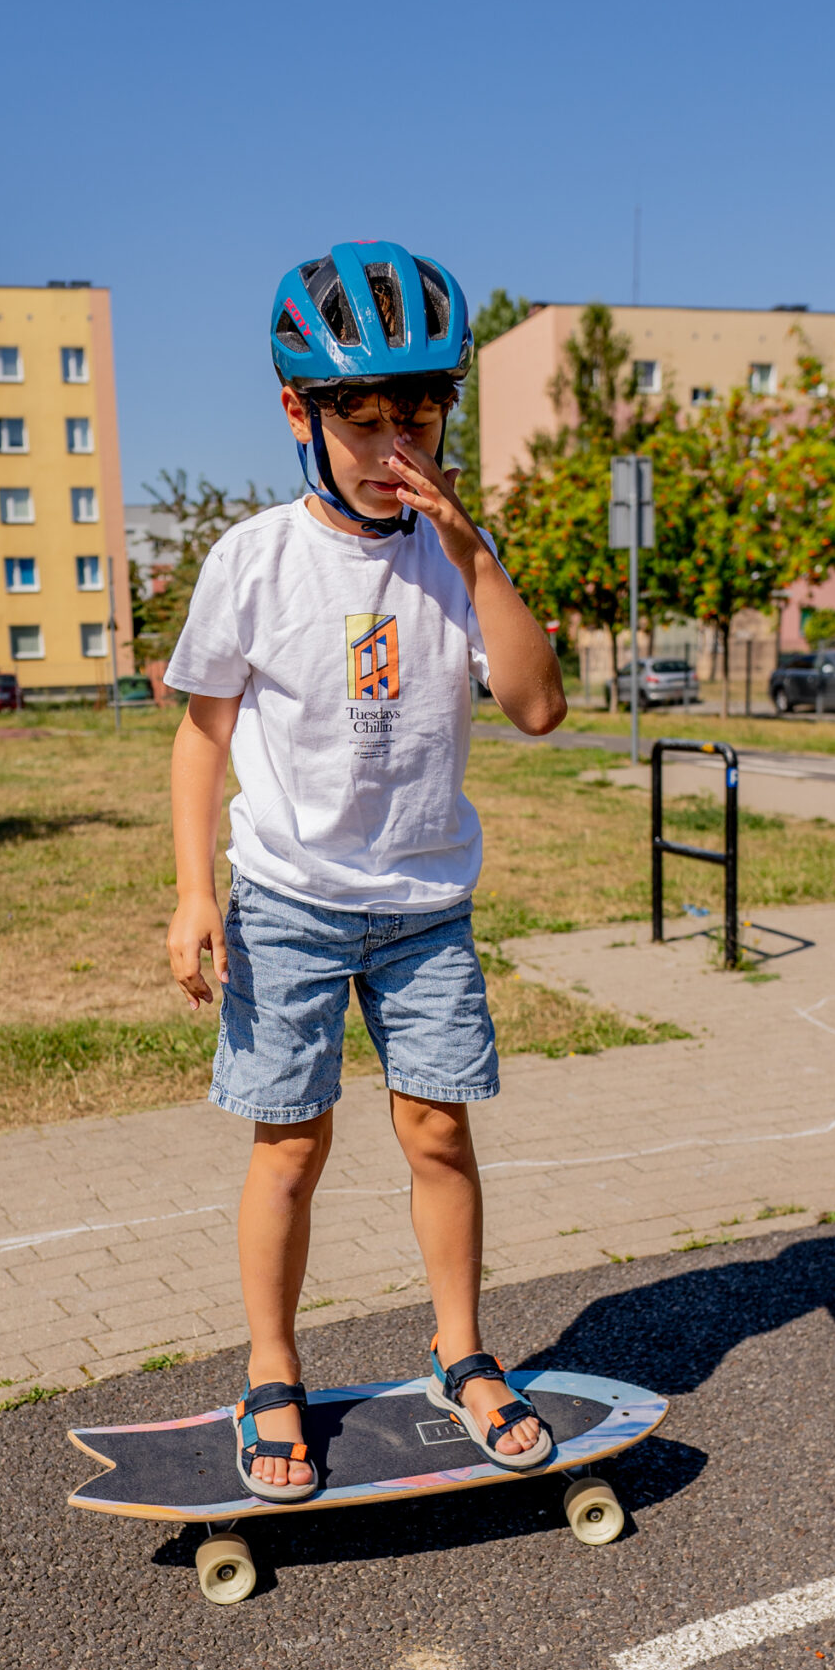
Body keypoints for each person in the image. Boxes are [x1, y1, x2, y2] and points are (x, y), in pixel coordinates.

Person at [164, 242, 568, 1502]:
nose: (398, 446)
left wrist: (475, 553)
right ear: (301, 411)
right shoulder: (254, 559)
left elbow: (539, 707)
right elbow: (202, 735)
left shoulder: (457, 557)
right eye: (365, 419)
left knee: (438, 1129)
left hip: (424, 907)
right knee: (289, 1145)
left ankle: (463, 1354)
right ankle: (271, 1371)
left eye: (422, 416)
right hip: (287, 901)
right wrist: (193, 891)